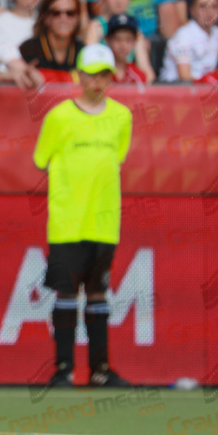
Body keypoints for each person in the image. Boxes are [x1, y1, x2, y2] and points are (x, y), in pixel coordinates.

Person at [34, 43, 133, 389]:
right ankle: (63, 369)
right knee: (65, 293)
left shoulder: (122, 116)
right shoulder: (59, 116)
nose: (98, 80)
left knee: (97, 294)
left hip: (104, 222)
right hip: (66, 221)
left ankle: (100, 369)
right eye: (91, 73)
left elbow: (116, 158)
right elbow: (41, 158)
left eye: (104, 74)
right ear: (79, 75)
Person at [83, 0, 154, 82]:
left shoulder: (135, 29)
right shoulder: (95, 27)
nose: (119, 0)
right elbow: (89, 63)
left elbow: (146, 71)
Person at [160, 0, 218, 82]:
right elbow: (185, 78)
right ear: (192, 10)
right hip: (176, 89)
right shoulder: (183, 36)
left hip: (205, 90)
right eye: (203, 6)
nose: (209, 12)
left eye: (214, 6)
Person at [20, 0, 83, 81]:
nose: (63, 19)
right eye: (56, 13)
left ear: (77, 18)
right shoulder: (29, 49)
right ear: (45, 17)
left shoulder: (83, 51)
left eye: (70, 13)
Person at [105, 14, 148, 85]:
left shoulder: (139, 76)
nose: (123, 45)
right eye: (117, 39)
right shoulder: (100, 75)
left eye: (128, 40)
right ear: (107, 40)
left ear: (135, 42)